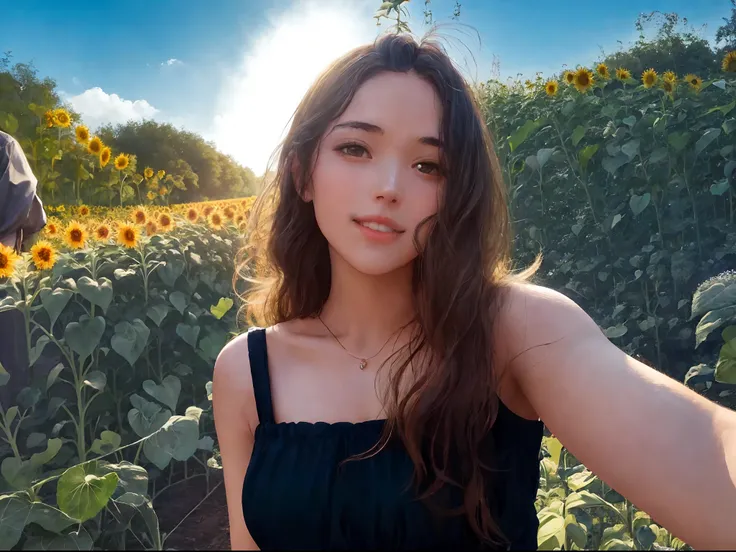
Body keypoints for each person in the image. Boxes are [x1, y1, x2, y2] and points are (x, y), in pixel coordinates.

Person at [213, 33, 736, 550]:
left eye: (428, 165)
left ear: (457, 190)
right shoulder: (246, 373)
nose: (389, 185)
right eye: (356, 148)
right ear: (304, 174)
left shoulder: (514, 330)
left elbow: (710, 447)